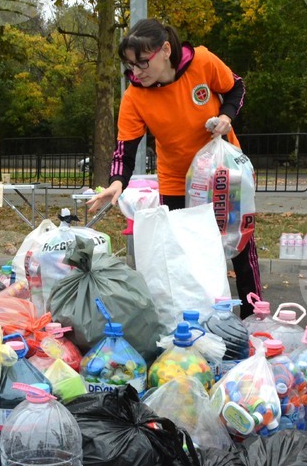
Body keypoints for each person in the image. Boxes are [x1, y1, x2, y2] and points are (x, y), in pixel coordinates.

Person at [86, 19, 262, 318]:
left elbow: (237, 88)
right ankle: (199, 321)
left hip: (224, 173)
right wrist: (117, 182)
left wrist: (226, 117)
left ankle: (254, 316)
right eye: (131, 65)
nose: (137, 72)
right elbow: (125, 148)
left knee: (241, 247)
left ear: (165, 50)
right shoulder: (135, 96)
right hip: (177, 181)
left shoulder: (202, 62)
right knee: (187, 255)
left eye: (142, 62)